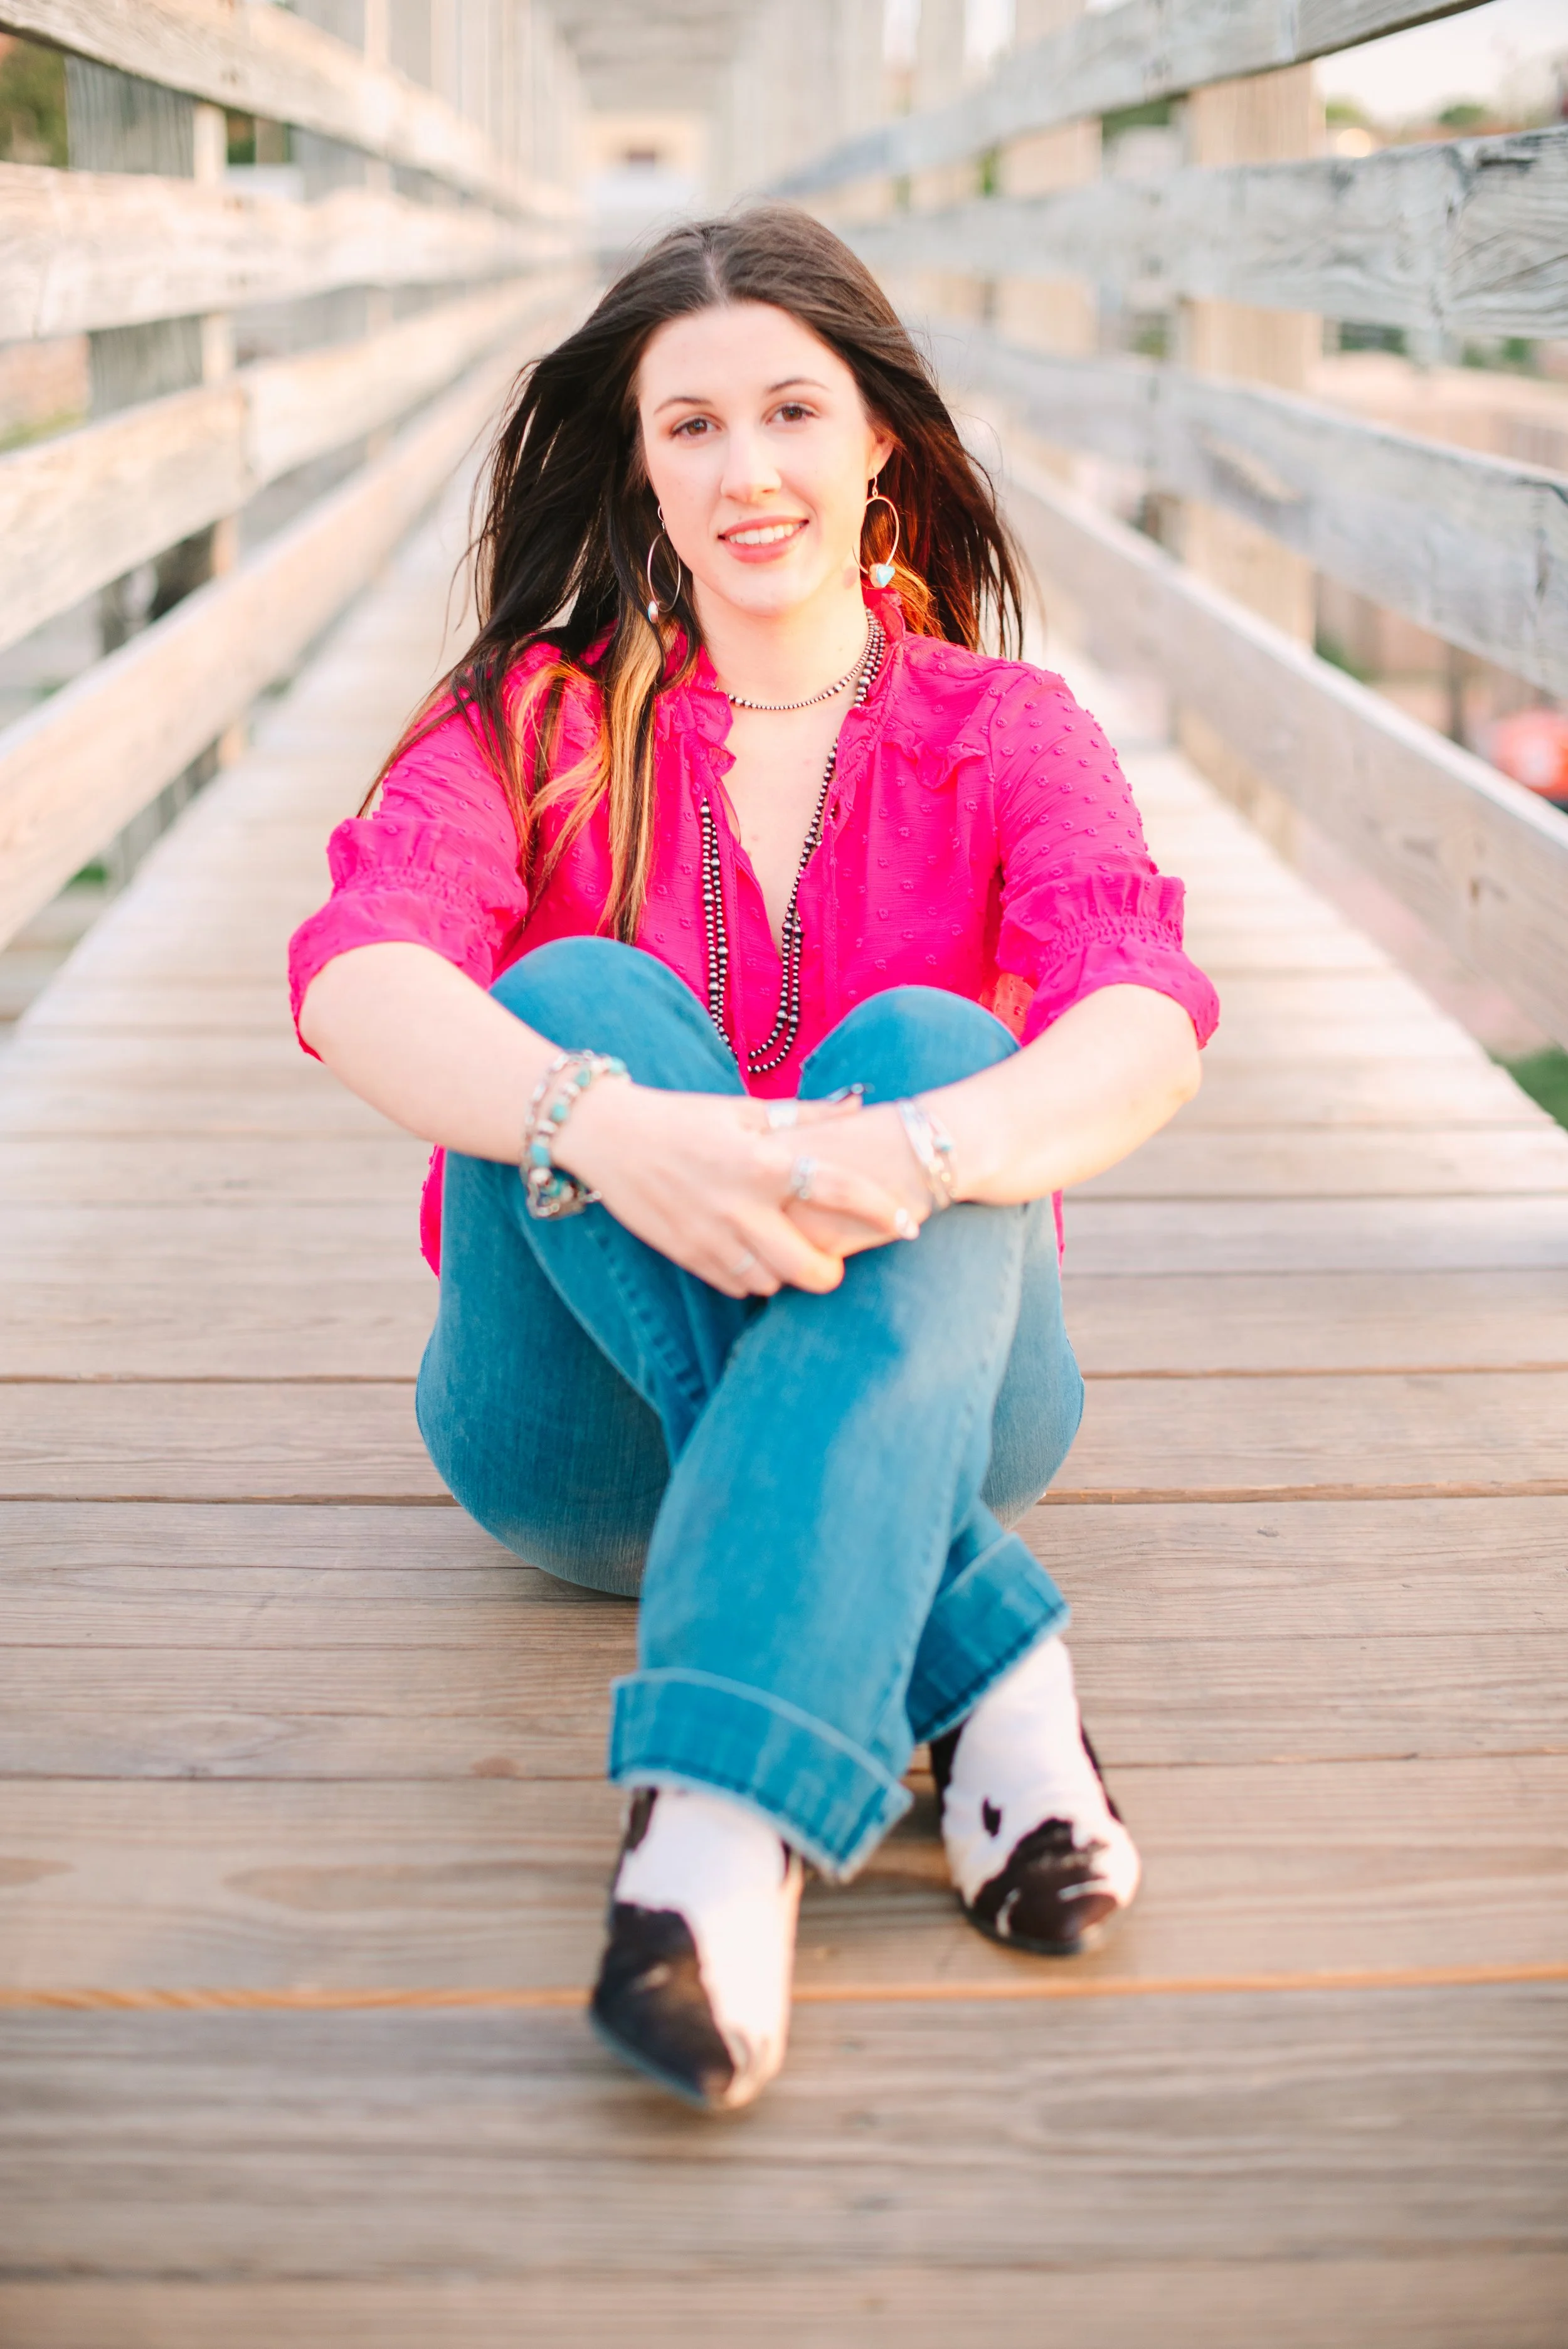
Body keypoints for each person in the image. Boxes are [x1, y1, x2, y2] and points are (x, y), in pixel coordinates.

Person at [290, 205, 1219, 2113]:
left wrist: (924, 1150)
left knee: (938, 1049)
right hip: (572, 1454)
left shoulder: (1001, 730)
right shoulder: (529, 725)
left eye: (790, 410)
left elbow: (1138, 1012)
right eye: (689, 425)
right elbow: (358, 968)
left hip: (962, 1409)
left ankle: (713, 1833)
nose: (746, 469)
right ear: (636, 461)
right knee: (578, 998)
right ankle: (986, 1687)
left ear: (879, 439)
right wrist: (608, 1129)